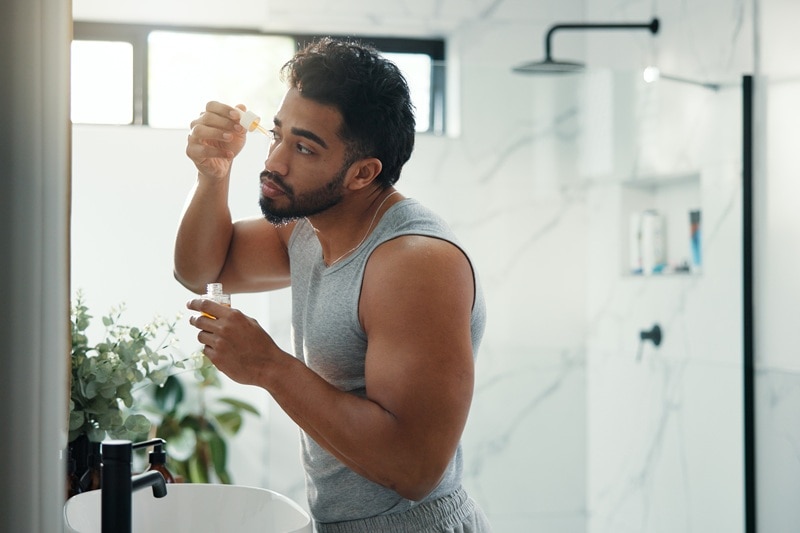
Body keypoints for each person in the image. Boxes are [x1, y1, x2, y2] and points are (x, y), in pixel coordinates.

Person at [175, 37, 490, 532]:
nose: (274, 162)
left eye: (303, 148)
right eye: (276, 135)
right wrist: (213, 176)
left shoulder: (413, 263)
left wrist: (267, 365)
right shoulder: (308, 226)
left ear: (363, 173)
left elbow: (413, 470)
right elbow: (200, 269)